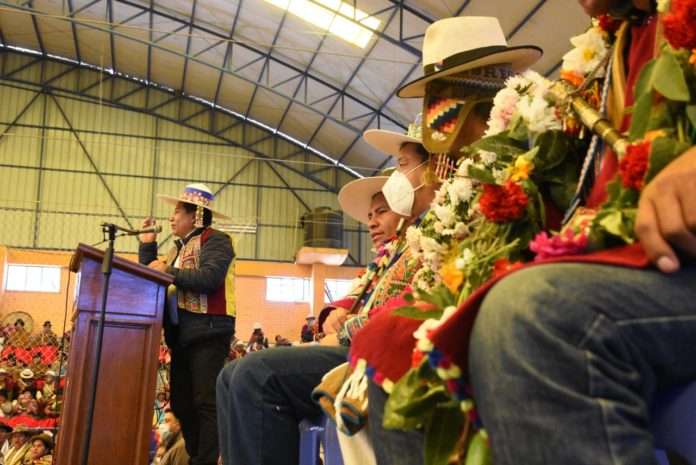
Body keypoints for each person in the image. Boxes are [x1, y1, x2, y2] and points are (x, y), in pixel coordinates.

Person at [216, 168, 411, 465]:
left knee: (256, 374)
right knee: (228, 377)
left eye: (381, 212)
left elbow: (403, 306)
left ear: (404, 206)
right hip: (352, 344)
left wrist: (343, 333)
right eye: (370, 215)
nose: (371, 222)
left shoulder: (419, 246)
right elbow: (353, 301)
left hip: (373, 352)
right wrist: (335, 314)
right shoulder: (385, 258)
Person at [139, 183, 236, 465]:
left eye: (178, 211)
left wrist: (168, 270)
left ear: (196, 215)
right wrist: (147, 246)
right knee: (182, 403)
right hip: (181, 336)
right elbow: (157, 275)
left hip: (208, 332)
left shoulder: (218, 240)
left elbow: (209, 278)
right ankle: (197, 455)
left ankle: (204, 460)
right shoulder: (175, 250)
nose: (171, 217)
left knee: (205, 402)